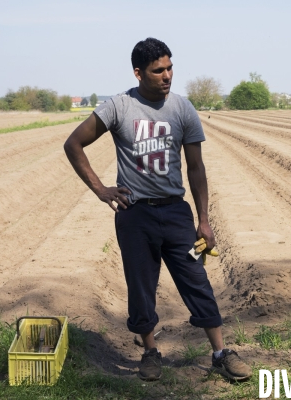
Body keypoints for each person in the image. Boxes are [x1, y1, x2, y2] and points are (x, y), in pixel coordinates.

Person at [63, 37, 252, 382]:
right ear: (138, 73)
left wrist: (204, 221)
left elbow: (196, 168)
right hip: (135, 216)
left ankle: (221, 353)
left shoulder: (182, 109)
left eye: (170, 68)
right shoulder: (118, 107)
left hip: (176, 214)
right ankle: (150, 353)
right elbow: (73, 143)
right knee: (140, 286)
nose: (167, 76)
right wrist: (100, 189)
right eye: (158, 70)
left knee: (197, 279)